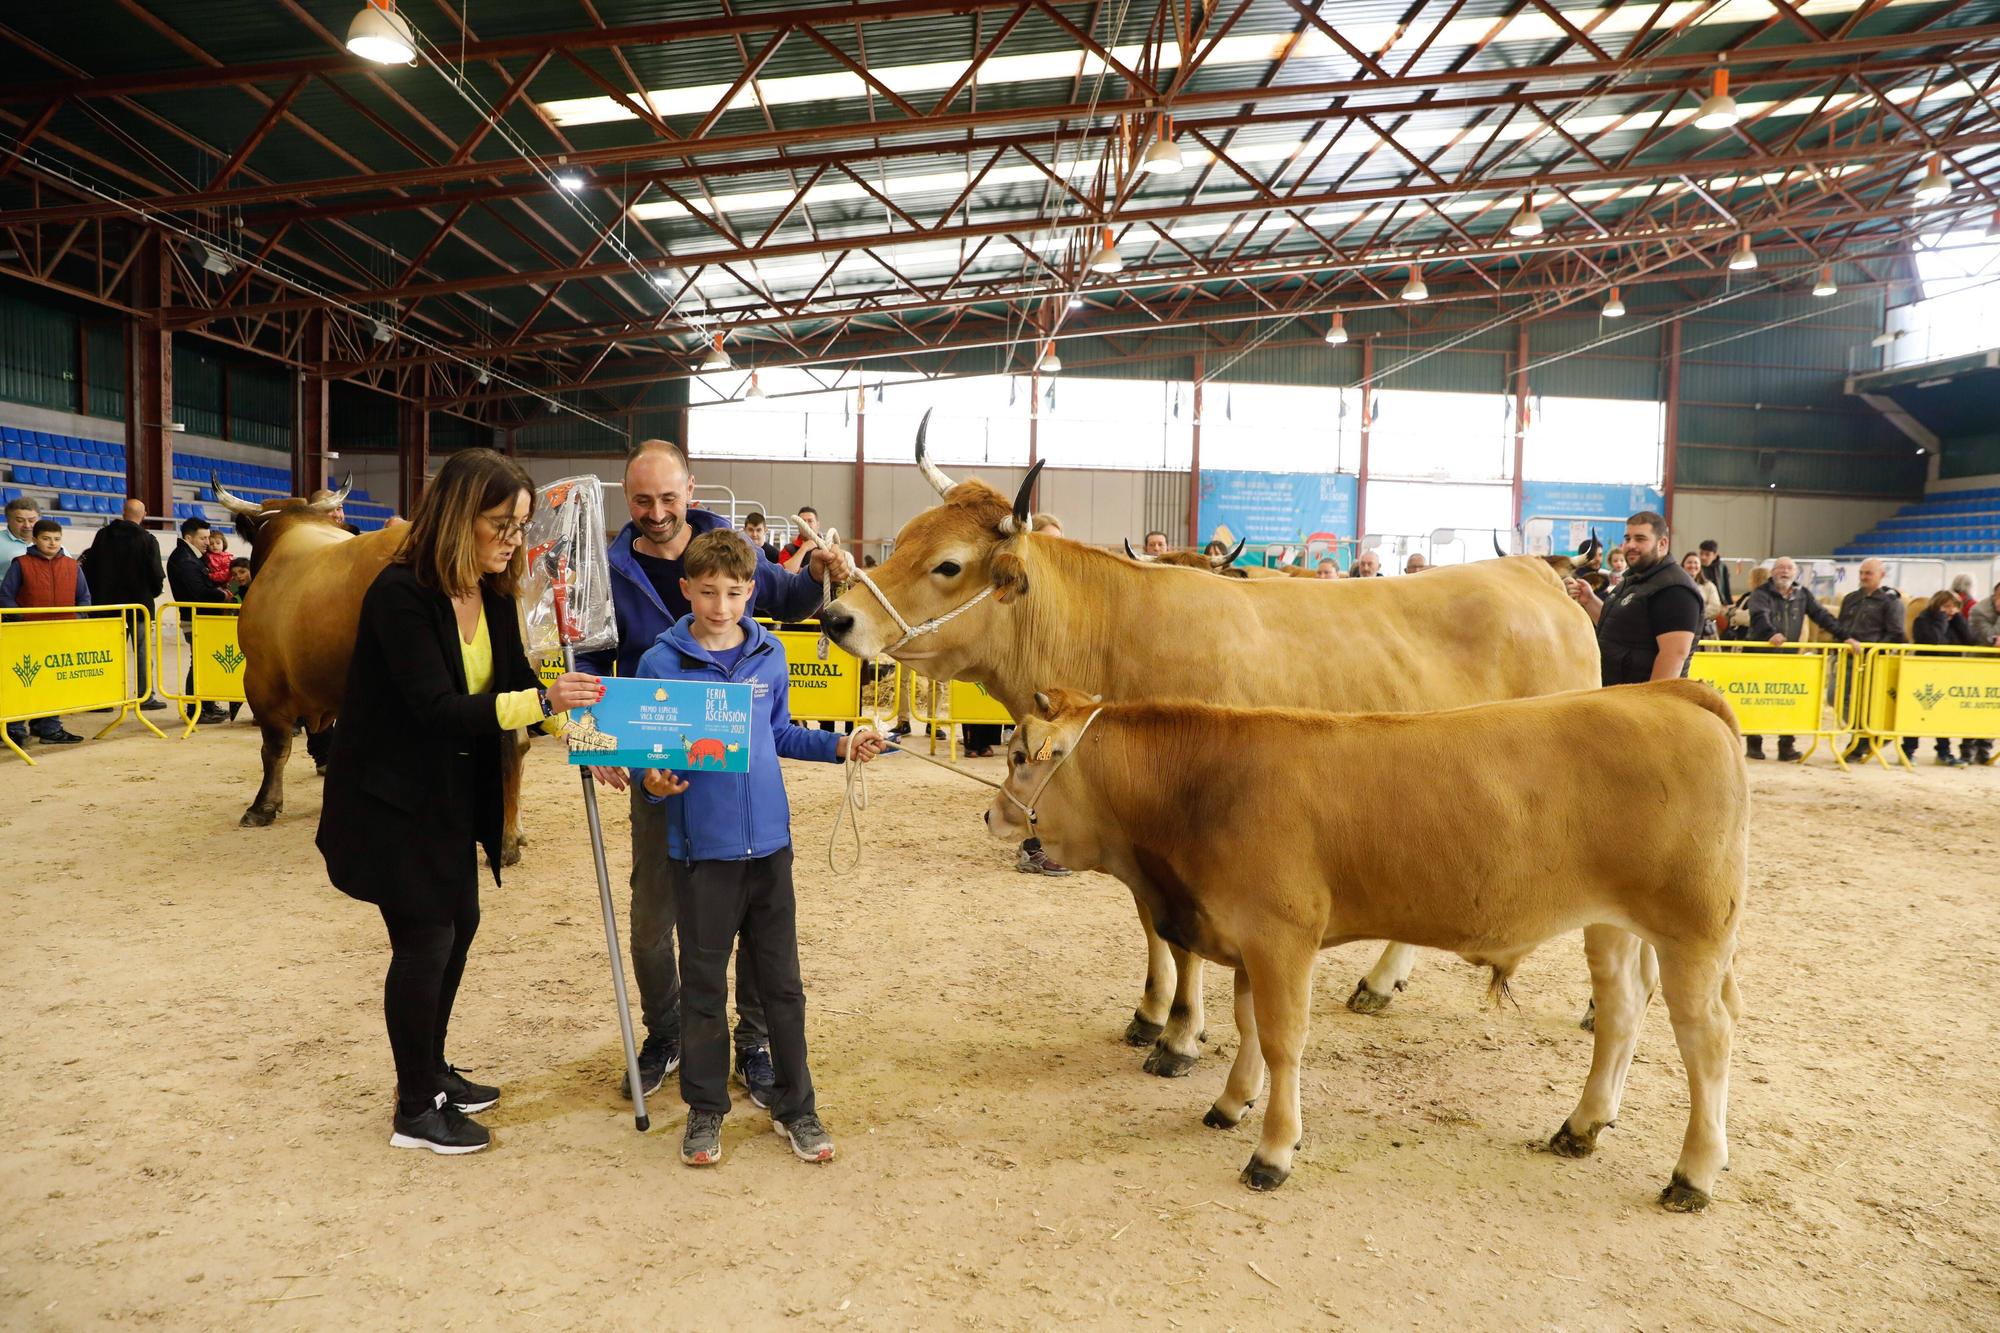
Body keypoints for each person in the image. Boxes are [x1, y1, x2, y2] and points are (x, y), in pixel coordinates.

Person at [317, 449, 601, 1155]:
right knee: (426, 939)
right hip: (389, 798)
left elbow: (516, 680)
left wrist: (585, 735)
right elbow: (435, 707)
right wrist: (540, 700)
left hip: (444, 795)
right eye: (501, 524)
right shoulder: (400, 594)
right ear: (457, 515)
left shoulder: (493, 592)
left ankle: (431, 1068)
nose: (513, 541)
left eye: (521, 527)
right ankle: (416, 1107)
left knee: (461, 923)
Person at [578, 439, 852, 1107]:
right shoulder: (607, 569)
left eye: (669, 497)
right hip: (656, 768)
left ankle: (752, 1042)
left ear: (690, 489)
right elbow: (586, 665)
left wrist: (826, 571)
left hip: (735, 777)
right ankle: (666, 1032)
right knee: (653, 917)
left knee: (756, 916)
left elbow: (792, 596)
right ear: (626, 497)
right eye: (642, 499)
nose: (656, 511)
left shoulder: (730, 549)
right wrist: (598, 741)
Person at [632, 529, 884, 1167]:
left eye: (735, 592)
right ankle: (705, 1108)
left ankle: (797, 1107)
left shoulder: (770, 656)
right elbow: (647, 761)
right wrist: (654, 784)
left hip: (771, 848)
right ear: (686, 590)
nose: (721, 606)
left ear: (752, 592)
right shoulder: (659, 664)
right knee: (703, 986)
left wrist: (840, 745)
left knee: (784, 986)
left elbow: (780, 734)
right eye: (708, 592)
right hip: (701, 854)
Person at [1564, 511, 1704, 687]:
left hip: (1639, 705)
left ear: (1662, 543)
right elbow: (1617, 627)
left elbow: (1673, 655)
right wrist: (1589, 600)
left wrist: (1650, 705)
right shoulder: (1632, 579)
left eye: (1640, 539)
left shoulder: (1675, 589)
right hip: (1615, 697)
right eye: (1627, 538)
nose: (1630, 545)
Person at [1743, 558, 1844, 761]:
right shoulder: (1760, 593)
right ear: (1772, 572)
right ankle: (1755, 744)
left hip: (1789, 659)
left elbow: (1821, 615)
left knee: (1789, 702)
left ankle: (1786, 746)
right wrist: (1770, 633)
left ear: (1795, 573)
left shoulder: (1802, 594)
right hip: (1760, 656)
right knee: (1757, 700)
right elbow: (1758, 615)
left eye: (1789, 568)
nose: (1785, 572)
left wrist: (1845, 636)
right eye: (1781, 568)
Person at [2, 519, 90, 747]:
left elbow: (84, 599)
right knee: (22, 681)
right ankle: (14, 729)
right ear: (34, 539)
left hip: (60, 635)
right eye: (46, 538)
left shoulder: (72, 566)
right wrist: (22, 619)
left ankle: (49, 727)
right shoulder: (20, 564)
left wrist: (75, 619)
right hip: (26, 635)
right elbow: (6, 596)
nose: (52, 543)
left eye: (57, 539)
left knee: (53, 682)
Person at [80, 498, 167, 711]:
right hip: (139, 607)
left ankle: (105, 698)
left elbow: (89, 568)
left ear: (123, 512)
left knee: (107, 653)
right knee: (142, 652)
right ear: (143, 515)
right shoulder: (147, 539)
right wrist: (151, 593)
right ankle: (145, 697)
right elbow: (156, 575)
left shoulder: (102, 536)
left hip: (106, 607)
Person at [1832, 558, 1906, 761]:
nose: (1864, 577)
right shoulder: (1850, 598)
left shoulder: (1891, 602)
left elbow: (1896, 633)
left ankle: (1861, 740)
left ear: (1881, 575)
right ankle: (1862, 735)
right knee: (1835, 697)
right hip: (1846, 658)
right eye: (1862, 573)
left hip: (1872, 662)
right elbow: (1840, 626)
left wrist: (1873, 652)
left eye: (1868, 573)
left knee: (1866, 702)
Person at [167, 517, 233, 725]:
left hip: (201, 618)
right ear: (189, 537)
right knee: (199, 664)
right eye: (203, 538)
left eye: (208, 537)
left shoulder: (193, 557)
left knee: (204, 663)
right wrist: (222, 595)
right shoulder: (185, 560)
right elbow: (199, 593)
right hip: (195, 619)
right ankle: (195, 708)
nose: (208, 541)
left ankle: (206, 705)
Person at [1907, 589, 1978, 767]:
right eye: (1946, 606)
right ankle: (1908, 750)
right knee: (1916, 713)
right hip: (1925, 673)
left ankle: (1944, 752)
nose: (1951, 611)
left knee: (1944, 714)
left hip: (1948, 674)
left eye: (1955, 607)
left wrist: (1960, 619)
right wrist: (1940, 620)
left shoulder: (1956, 621)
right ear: (1937, 606)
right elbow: (1935, 640)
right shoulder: (1923, 620)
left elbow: (1970, 639)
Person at [1681, 550, 1727, 637]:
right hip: (1681, 630)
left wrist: (1695, 616)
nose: (1693, 565)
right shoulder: (1677, 586)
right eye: (1689, 562)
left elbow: (1715, 607)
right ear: (1683, 566)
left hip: (1705, 632)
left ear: (1700, 566)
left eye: (1696, 563)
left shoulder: (1709, 586)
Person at [779, 505, 821, 572]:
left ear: (818, 525)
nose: (806, 525)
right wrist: (804, 548)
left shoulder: (828, 547)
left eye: (810, 521)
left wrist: (800, 571)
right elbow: (785, 574)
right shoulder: (787, 550)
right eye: (803, 521)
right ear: (798, 525)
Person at [1, 496, 38, 565]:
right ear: (8, 520)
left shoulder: (51, 542)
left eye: (31, 520)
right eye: (20, 520)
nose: (27, 525)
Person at [1698, 539, 1731, 604]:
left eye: (1707, 554)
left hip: (1720, 602)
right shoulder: (1697, 567)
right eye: (1701, 554)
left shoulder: (1722, 567)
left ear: (1715, 555)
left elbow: (1727, 589)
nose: (1703, 557)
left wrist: (1728, 603)